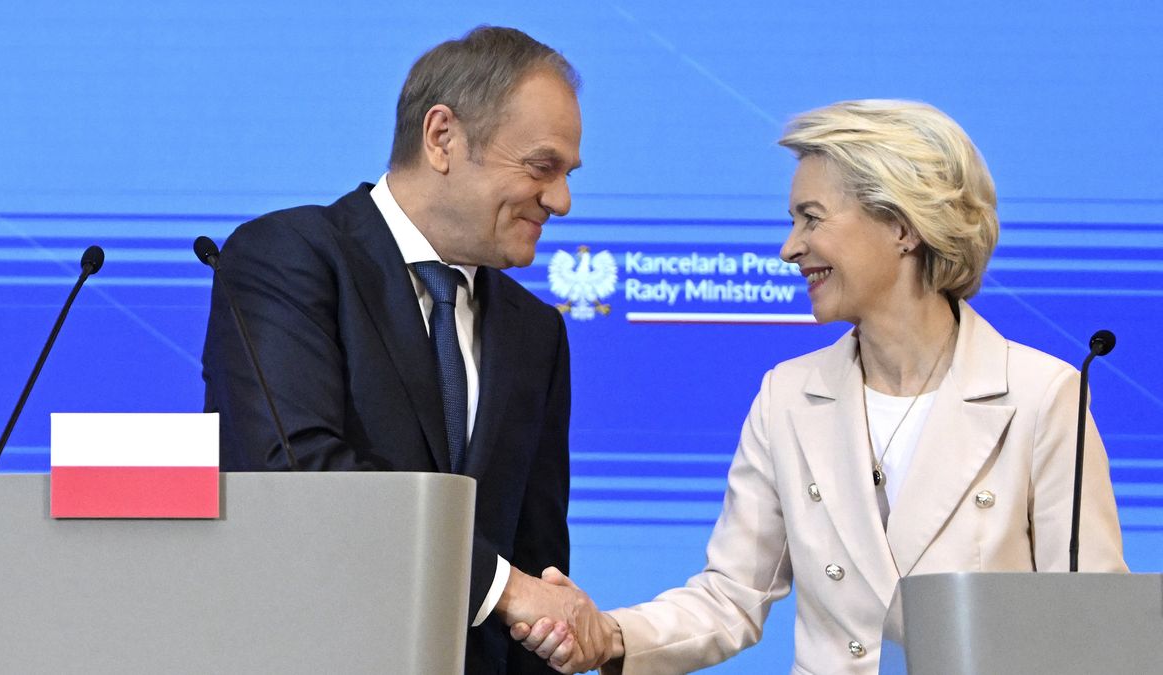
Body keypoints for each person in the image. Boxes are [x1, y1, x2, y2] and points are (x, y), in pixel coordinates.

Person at [513, 99, 1129, 674]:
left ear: (902, 226)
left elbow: (1093, 621)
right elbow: (731, 596)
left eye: (812, 218)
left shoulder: (1040, 396)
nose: (790, 249)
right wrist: (609, 634)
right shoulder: (787, 396)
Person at [201, 26, 608, 674]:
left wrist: (544, 618)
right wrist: (503, 588)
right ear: (442, 137)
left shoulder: (537, 332)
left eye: (567, 174)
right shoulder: (289, 258)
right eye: (542, 167)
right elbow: (293, 472)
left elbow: (538, 566)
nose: (561, 200)